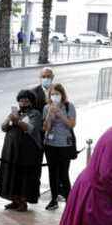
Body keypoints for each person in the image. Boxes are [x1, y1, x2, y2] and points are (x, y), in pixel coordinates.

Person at [0, 90, 44, 212]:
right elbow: (3, 127)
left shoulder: (35, 114)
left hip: (27, 152)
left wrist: (18, 121)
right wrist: (8, 120)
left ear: (31, 102)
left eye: (26, 100)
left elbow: (31, 129)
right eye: (21, 100)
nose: (23, 103)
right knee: (12, 175)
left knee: (24, 176)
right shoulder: (15, 113)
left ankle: (23, 202)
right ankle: (14, 200)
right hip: (12, 150)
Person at [43, 83, 77, 211]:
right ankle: (53, 199)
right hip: (50, 144)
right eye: (52, 94)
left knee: (63, 172)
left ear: (62, 95)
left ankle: (70, 200)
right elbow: (45, 127)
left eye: (57, 94)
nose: (54, 96)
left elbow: (71, 124)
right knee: (52, 172)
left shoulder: (69, 106)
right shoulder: (47, 107)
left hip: (64, 144)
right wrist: (50, 116)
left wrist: (60, 114)